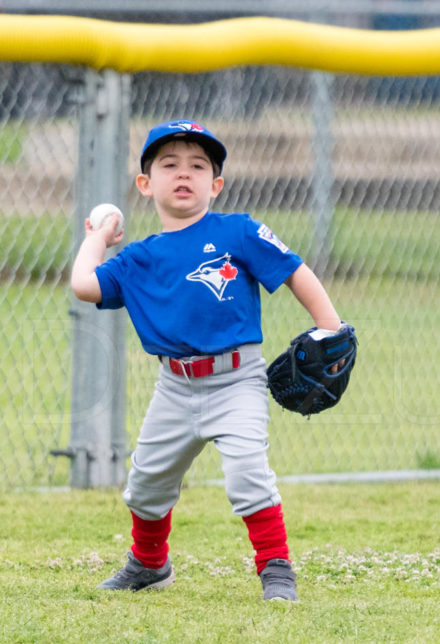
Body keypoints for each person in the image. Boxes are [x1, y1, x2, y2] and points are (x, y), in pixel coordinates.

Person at [70, 119, 344, 602]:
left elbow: (296, 271)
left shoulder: (238, 231)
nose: (184, 173)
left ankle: (275, 567)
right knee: (146, 483)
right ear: (145, 183)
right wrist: (97, 237)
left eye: (198, 166)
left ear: (215, 185)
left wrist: (331, 326)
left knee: (246, 472)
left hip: (237, 378)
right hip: (174, 387)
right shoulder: (138, 259)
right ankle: (150, 564)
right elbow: (84, 285)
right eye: (169, 164)